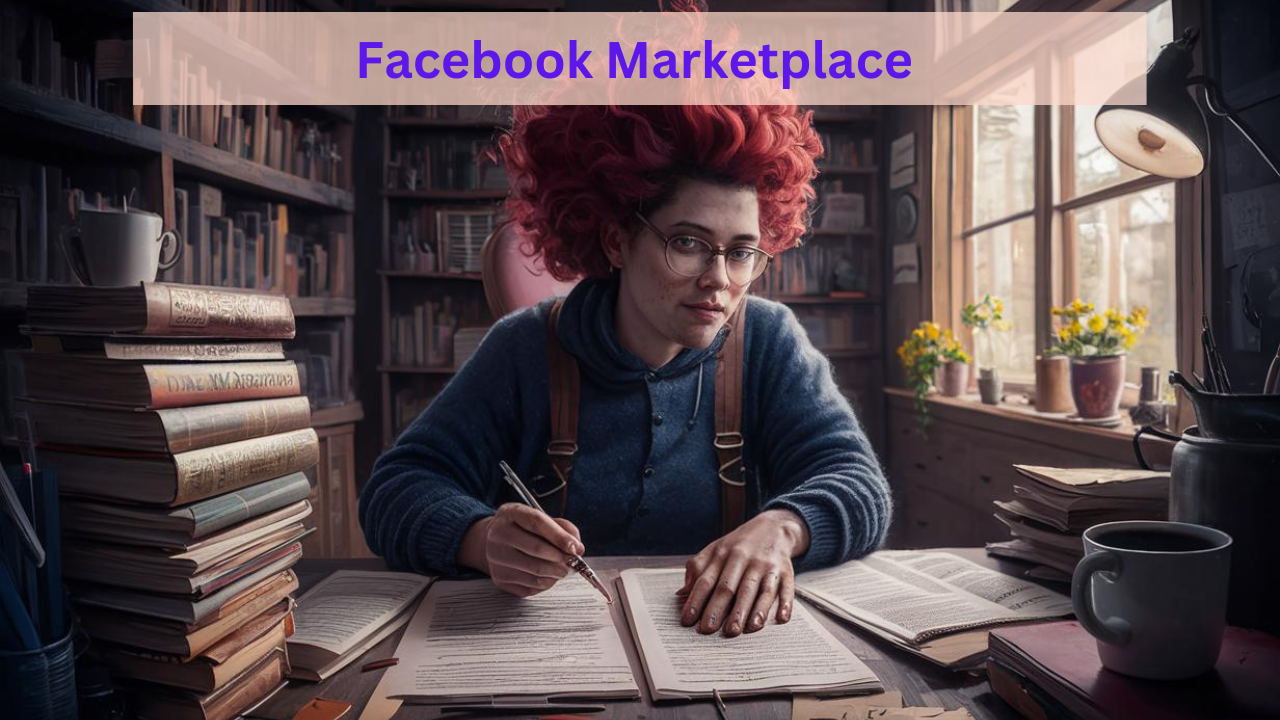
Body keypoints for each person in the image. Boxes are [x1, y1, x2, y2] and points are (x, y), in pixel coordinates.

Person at [359, 104, 891, 639]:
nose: (719, 280)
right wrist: (479, 538)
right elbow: (394, 491)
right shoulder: (523, 347)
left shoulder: (770, 341)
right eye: (688, 243)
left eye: (742, 252)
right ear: (616, 241)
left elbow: (860, 485)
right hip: (552, 654)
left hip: (718, 652)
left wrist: (784, 527)